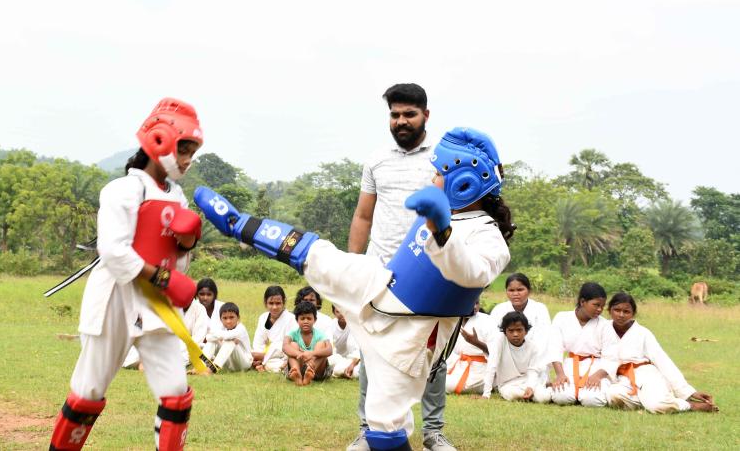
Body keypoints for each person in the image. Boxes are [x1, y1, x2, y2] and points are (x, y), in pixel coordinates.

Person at [195, 126, 513, 451]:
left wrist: (441, 232)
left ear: (464, 182)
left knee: (384, 430)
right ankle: (239, 224)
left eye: (437, 173)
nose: (431, 179)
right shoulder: (440, 213)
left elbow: (473, 273)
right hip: (380, 289)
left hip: (411, 337)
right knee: (318, 255)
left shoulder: (487, 234)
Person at [49, 98, 204, 451]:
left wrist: (185, 245)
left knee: (176, 393)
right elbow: (115, 252)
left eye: (192, 153)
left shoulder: (178, 197)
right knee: (89, 391)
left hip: (156, 306)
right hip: (115, 300)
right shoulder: (122, 190)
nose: (187, 161)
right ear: (161, 141)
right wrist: (166, 280)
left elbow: (174, 259)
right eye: (184, 150)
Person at [347, 83, 453, 451]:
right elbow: (362, 216)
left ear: (426, 115)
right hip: (380, 273)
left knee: (431, 355)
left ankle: (433, 432)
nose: (401, 121)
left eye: (409, 114)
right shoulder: (376, 160)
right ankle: (367, 429)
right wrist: (353, 268)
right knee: (371, 352)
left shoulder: (443, 158)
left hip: (430, 272)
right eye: (395, 114)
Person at [606, 292, 718, 413]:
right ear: (609, 310)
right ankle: (648, 400)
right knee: (613, 396)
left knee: (657, 406)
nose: (621, 315)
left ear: (633, 313)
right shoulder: (603, 329)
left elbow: (663, 361)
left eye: (626, 311)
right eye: (617, 310)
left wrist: (689, 391)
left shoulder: (643, 333)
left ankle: (690, 405)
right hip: (622, 380)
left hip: (647, 376)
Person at [545, 282, 618, 408]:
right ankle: (572, 392)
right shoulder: (562, 318)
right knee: (562, 397)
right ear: (582, 301)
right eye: (596, 305)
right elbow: (554, 348)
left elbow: (611, 357)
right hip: (570, 367)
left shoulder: (605, 325)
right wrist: (560, 374)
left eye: (602, 306)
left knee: (592, 400)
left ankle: (589, 393)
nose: (600, 309)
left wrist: (597, 376)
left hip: (596, 368)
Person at [481, 311, 550, 403]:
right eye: (511, 330)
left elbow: (533, 370)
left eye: (519, 330)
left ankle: (539, 391)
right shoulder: (499, 342)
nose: (515, 334)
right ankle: (532, 395)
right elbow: (491, 366)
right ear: (505, 332)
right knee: (511, 395)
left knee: (544, 398)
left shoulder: (532, 347)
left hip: (527, 381)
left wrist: (530, 387)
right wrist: (486, 394)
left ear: (526, 331)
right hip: (508, 384)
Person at [444, 300, 495, 395]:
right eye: (471, 303)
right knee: (433, 378)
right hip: (458, 364)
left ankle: (491, 384)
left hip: (480, 369)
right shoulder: (454, 319)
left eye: (477, 303)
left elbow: (496, 353)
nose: (475, 307)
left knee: (446, 385)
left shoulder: (488, 321)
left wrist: (476, 343)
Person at [489, 272, 551, 345]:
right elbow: (493, 337)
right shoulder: (499, 310)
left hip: (535, 353)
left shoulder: (540, 309)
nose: (515, 294)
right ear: (506, 291)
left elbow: (545, 337)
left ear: (529, 291)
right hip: (505, 352)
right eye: (511, 290)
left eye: (520, 290)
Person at [284, 301, 334, 385]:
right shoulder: (292, 333)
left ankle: (310, 372)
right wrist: (300, 354)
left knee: (321, 345)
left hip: (316, 368)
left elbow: (329, 350)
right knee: (292, 345)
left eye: (309, 318)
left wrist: (312, 354)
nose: (306, 321)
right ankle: (296, 373)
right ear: (297, 320)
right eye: (302, 318)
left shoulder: (320, 334)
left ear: (315, 320)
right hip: (299, 364)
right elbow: (285, 346)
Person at [251, 285, 293, 373]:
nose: (274, 307)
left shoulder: (291, 318)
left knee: (278, 362)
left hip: (281, 356)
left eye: (278, 303)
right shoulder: (263, 317)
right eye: (271, 303)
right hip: (262, 353)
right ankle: (261, 363)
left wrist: (262, 357)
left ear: (283, 302)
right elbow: (258, 341)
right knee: (247, 353)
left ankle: (262, 363)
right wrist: (259, 354)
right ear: (265, 302)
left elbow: (287, 345)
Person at [202, 302, 252, 373]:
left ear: (238, 318)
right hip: (228, 364)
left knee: (230, 341)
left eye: (231, 317)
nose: (228, 321)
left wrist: (220, 337)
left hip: (244, 363)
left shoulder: (241, 328)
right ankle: (201, 365)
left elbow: (227, 336)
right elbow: (208, 337)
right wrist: (221, 337)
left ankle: (212, 369)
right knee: (212, 341)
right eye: (225, 318)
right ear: (220, 319)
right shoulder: (221, 327)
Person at [330, 304, 362, 379]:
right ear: (334, 313)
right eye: (338, 312)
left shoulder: (356, 325)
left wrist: (352, 364)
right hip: (338, 360)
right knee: (331, 361)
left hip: (355, 360)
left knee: (358, 370)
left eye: (345, 311)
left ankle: (341, 371)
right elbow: (329, 347)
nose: (342, 314)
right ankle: (342, 370)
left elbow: (360, 350)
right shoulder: (331, 325)